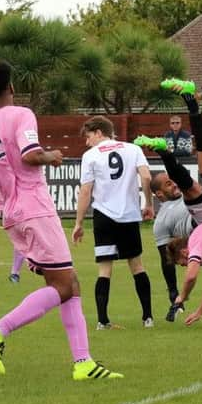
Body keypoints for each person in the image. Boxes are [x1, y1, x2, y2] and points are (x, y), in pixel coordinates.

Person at [0, 59, 123, 380]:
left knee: (69, 283)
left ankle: (84, 363)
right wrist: (52, 156)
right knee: (64, 285)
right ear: (11, 86)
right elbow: (29, 155)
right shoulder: (22, 115)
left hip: (13, 214)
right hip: (35, 207)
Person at [135, 78, 202, 319]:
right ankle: (167, 144)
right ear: (159, 195)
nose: (186, 262)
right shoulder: (170, 228)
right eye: (166, 184)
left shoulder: (199, 248)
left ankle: (189, 103)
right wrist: (193, 307)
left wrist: (185, 299)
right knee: (193, 182)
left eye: (184, 261)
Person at [71, 116, 155, 330]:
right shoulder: (133, 149)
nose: (87, 142)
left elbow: (86, 190)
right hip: (128, 215)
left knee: (104, 269)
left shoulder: (90, 156)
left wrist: (79, 222)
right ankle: (148, 318)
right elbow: (146, 177)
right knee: (136, 265)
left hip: (104, 216)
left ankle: (102, 321)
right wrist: (148, 203)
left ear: (99, 132)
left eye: (89, 137)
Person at [150, 172, 194, 321]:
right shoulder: (161, 222)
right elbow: (166, 259)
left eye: (173, 181)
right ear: (159, 194)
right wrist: (173, 292)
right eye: (168, 184)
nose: (175, 184)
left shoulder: (191, 192)